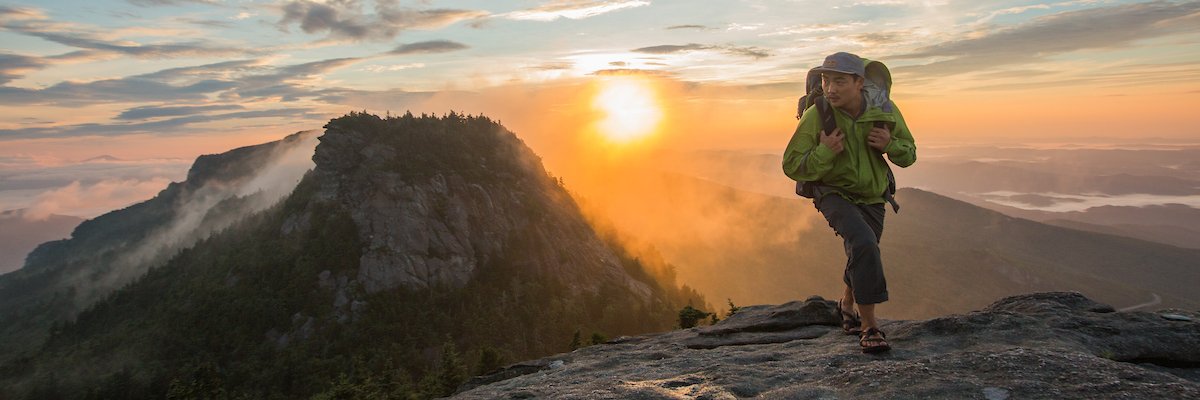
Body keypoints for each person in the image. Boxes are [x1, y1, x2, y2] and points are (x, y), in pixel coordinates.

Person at [781, 52, 916, 354]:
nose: (831, 88)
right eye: (827, 80)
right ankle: (868, 325)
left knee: (862, 249)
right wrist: (825, 152)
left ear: (859, 82)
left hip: (873, 195)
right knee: (865, 244)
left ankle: (846, 303)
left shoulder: (884, 110)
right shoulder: (819, 114)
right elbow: (791, 164)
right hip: (833, 192)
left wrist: (890, 145)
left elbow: (909, 154)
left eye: (839, 81)